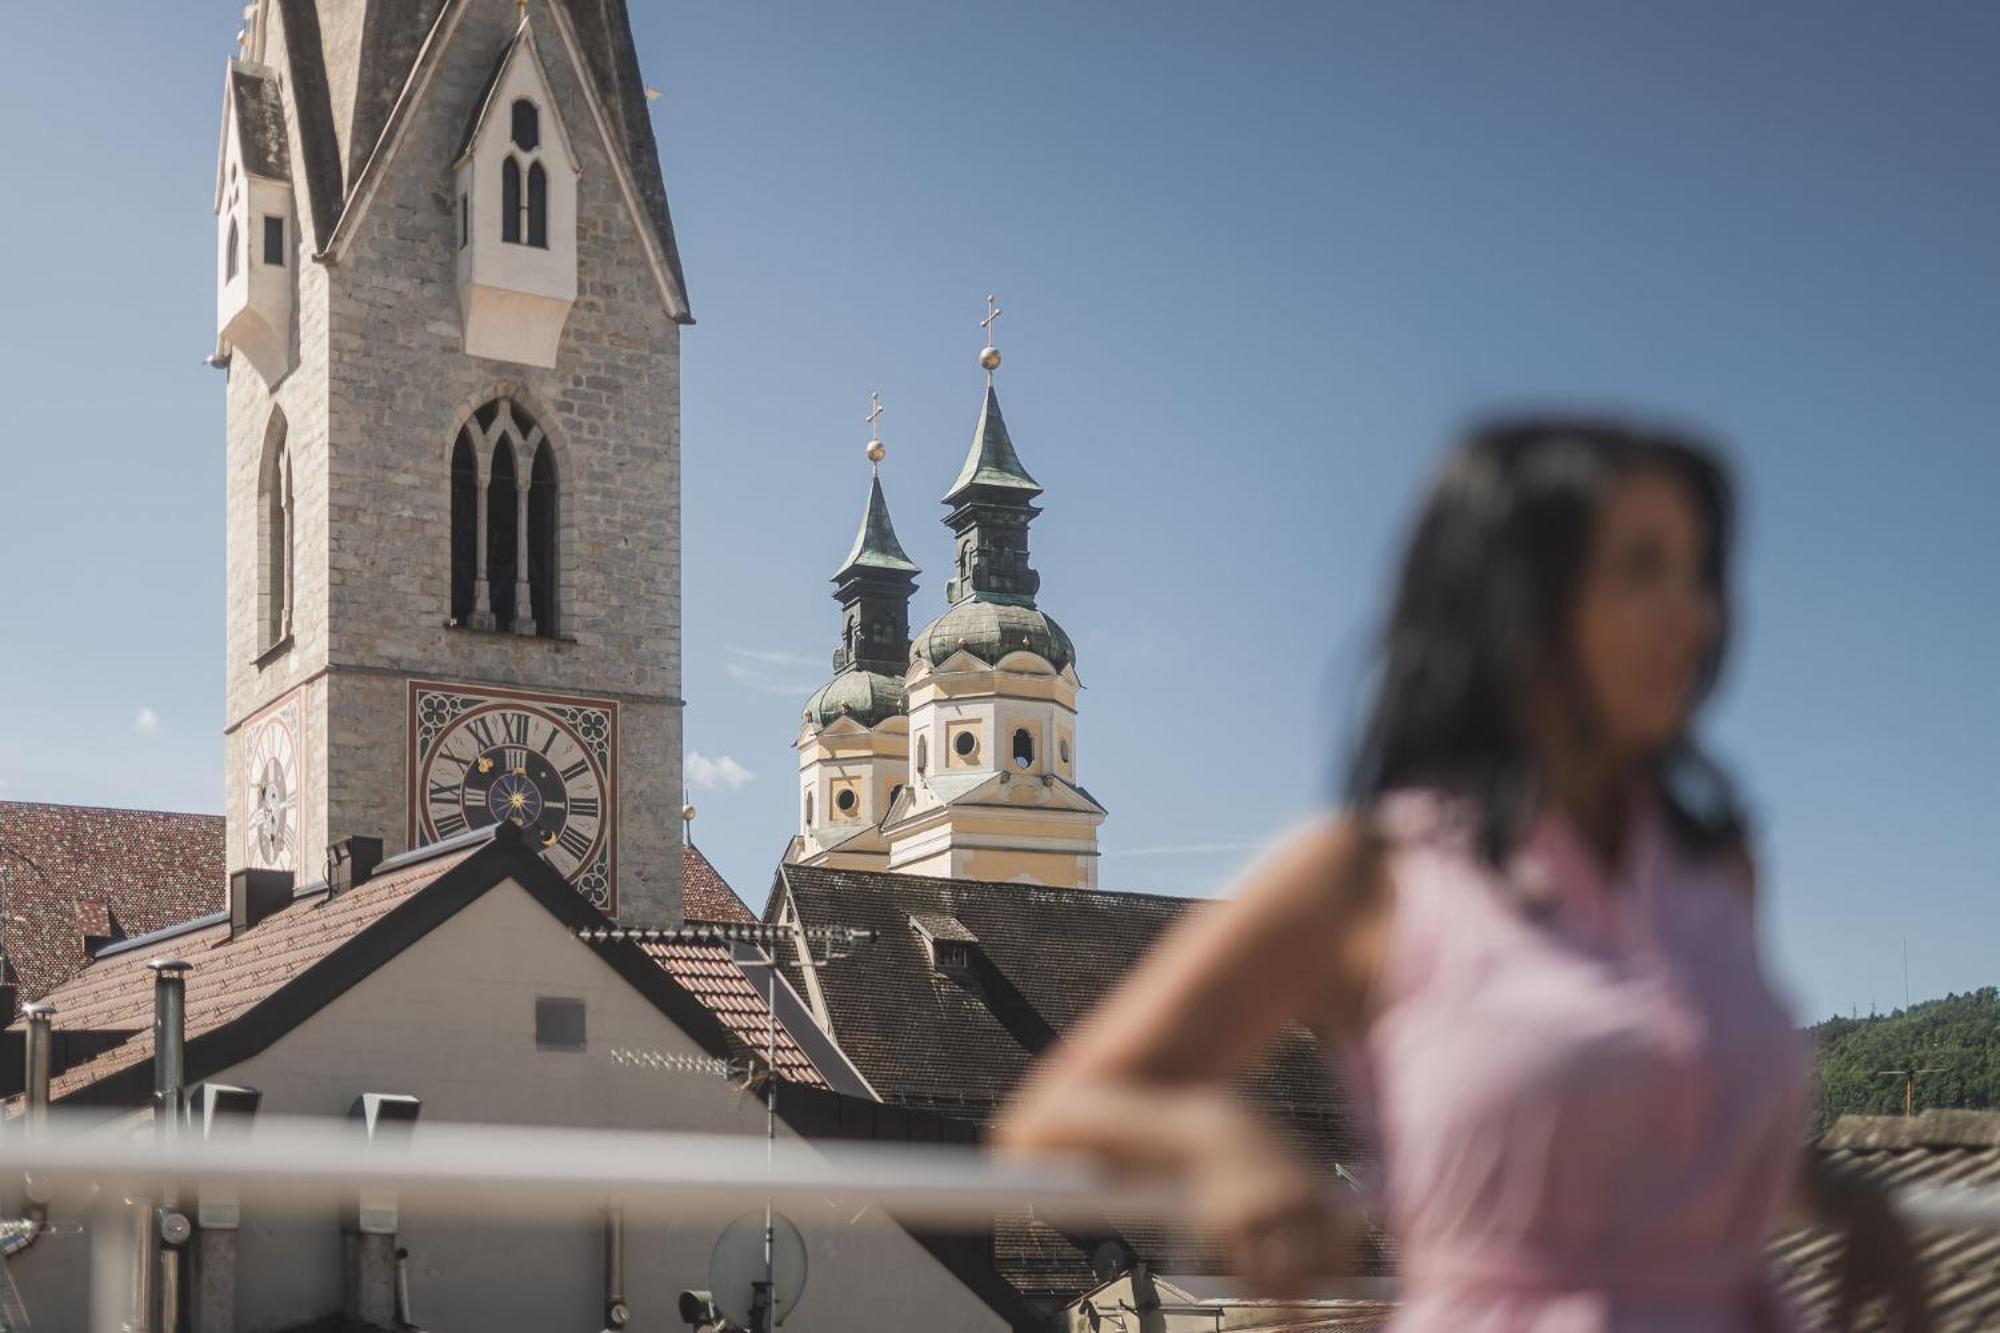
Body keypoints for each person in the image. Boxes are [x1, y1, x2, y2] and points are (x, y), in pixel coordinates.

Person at [995, 418, 1930, 1331]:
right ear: (1518, 600)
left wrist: (1849, 1195)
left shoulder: (1715, 868)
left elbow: (1666, 1125)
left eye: (1699, 573)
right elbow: (1054, 1113)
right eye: (1645, 568)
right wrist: (1220, 1143)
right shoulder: (1368, 874)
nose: (1697, 614)